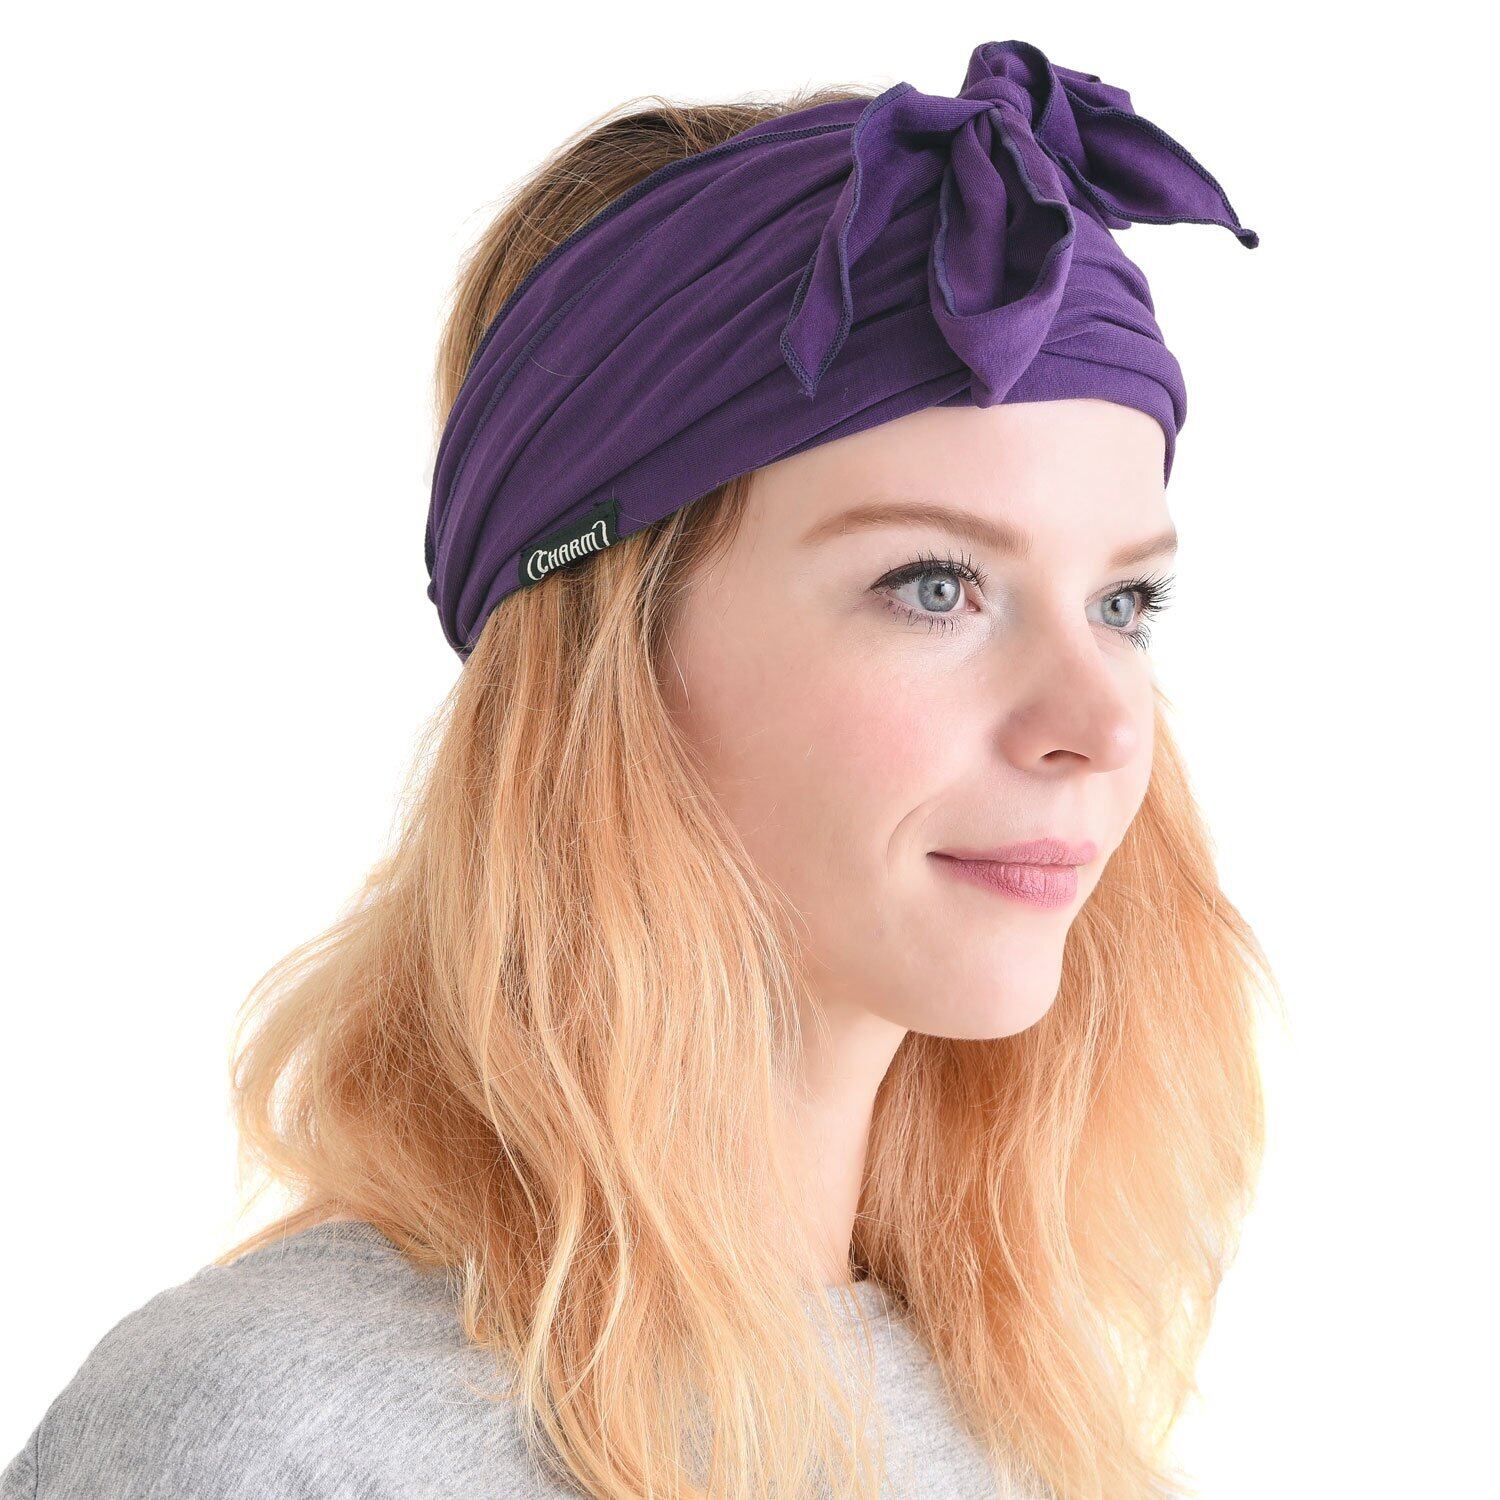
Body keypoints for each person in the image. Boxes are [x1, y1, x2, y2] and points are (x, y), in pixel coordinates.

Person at [2, 37, 1276, 1500]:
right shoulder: (278, 1432)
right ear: (609, 658)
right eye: (934, 586)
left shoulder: (1024, 1417)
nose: (1101, 725)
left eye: (1124, 604)